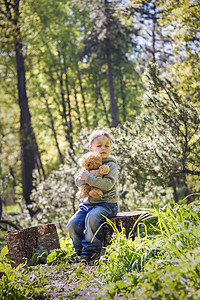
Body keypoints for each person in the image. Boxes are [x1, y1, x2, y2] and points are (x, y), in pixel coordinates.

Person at [67, 129, 118, 262]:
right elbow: (78, 181)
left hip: (107, 204)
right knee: (73, 223)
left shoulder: (110, 165)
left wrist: (89, 177)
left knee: (92, 217)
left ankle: (91, 249)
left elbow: (107, 185)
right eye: (99, 145)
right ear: (91, 148)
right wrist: (84, 176)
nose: (103, 148)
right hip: (87, 204)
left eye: (107, 145)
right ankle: (78, 250)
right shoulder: (88, 163)